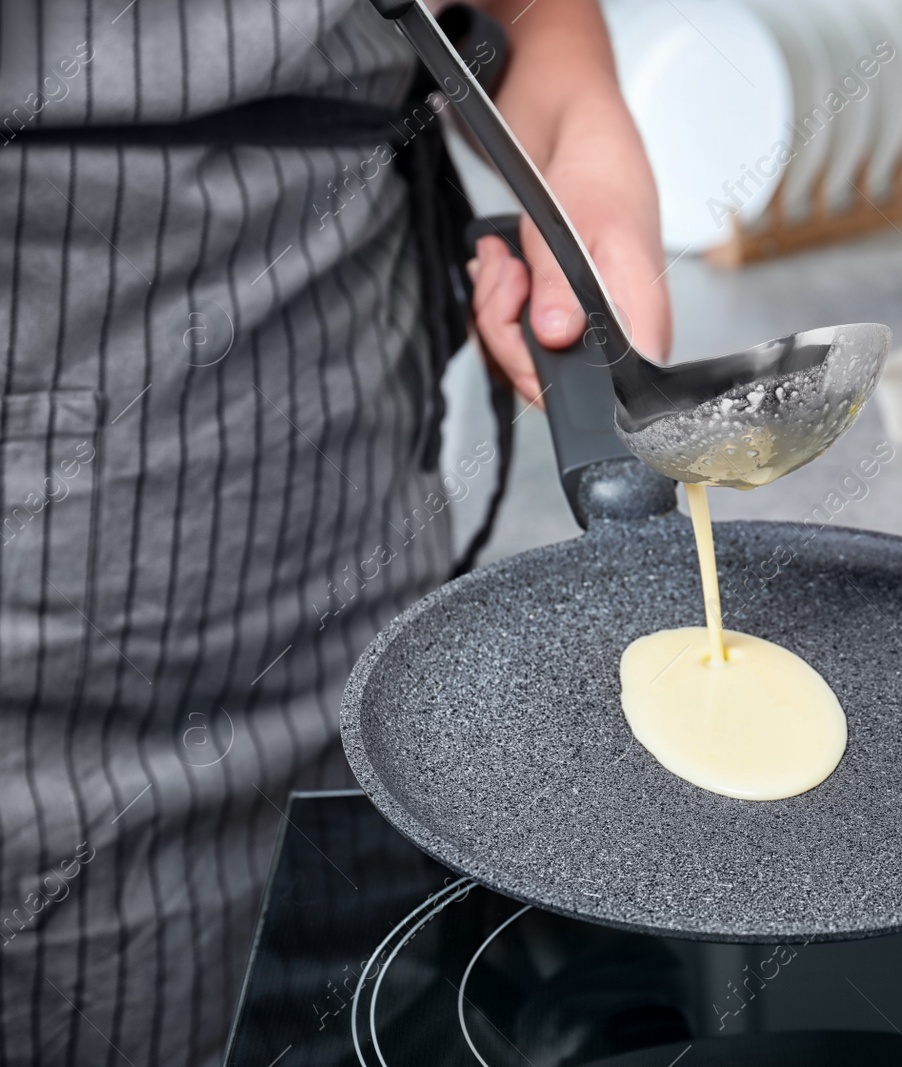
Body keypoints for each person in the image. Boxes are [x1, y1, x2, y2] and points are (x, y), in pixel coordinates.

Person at [0, 1, 669, 1063]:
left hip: (367, 611)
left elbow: (519, 23)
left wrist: (583, 147)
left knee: (372, 1016)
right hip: (51, 689)